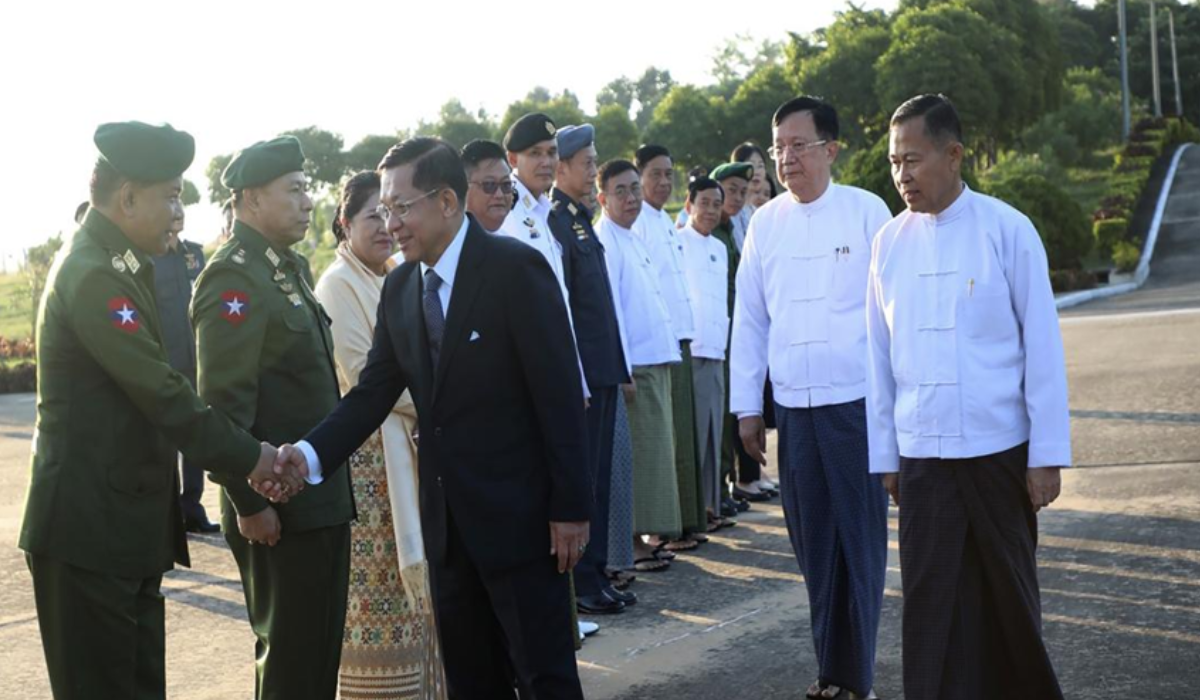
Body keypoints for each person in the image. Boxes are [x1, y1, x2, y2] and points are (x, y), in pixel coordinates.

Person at [268, 138, 591, 699]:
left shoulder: (516, 270)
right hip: (447, 531)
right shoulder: (399, 288)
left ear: (446, 201)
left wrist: (570, 508)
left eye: (401, 206)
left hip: (522, 525)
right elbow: (370, 395)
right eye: (384, 209)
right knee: (472, 681)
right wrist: (308, 455)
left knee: (546, 679)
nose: (391, 222)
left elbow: (559, 397)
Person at [19, 121, 296, 700]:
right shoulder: (94, 273)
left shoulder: (117, 263)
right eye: (170, 196)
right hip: (87, 533)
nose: (179, 213)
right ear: (127, 197)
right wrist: (254, 457)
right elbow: (164, 394)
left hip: (118, 530)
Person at [868, 94, 1070, 700]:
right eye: (894, 161)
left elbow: (1043, 345)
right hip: (923, 460)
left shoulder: (1007, 229)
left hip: (998, 454)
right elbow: (878, 358)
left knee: (1006, 600)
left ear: (953, 155)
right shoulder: (888, 243)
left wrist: (1046, 454)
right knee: (931, 611)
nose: (902, 174)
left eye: (914, 159)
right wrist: (887, 458)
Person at [732, 96, 892, 700]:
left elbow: (887, 315)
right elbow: (748, 320)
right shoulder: (765, 224)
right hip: (794, 411)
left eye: (799, 145)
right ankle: (832, 674)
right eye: (778, 148)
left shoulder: (866, 212)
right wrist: (748, 406)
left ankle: (858, 681)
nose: (786, 158)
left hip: (854, 406)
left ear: (831, 149)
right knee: (814, 548)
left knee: (860, 543)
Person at [193, 136, 355, 700]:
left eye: (307, 188)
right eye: (294, 190)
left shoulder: (287, 268)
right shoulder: (233, 278)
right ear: (251, 200)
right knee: (290, 657)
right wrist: (250, 502)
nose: (309, 201)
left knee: (318, 658)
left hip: (320, 499)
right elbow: (221, 410)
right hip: (278, 510)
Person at [315, 171, 446, 700]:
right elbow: (368, 377)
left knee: (415, 602)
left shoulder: (397, 275)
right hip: (370, 467)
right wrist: (440, 403)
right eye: (373, 216)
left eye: (392, 214)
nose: (386, 227)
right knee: (378, 595)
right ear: (346, 225)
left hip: (408, 453)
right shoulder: (337, 285)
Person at [548, 124, 634, 615]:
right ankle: (583, 581)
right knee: (584, 480)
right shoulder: (558, 222)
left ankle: (597, 574)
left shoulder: (580, 219)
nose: (593, 170)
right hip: (584, 373)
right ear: (561, 168)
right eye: (586, 163)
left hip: (602, 369)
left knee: (599, 477)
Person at [594, 159, 682, 571]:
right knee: (638, 460)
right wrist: (621, 367)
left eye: (634, 189)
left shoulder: (633, 236)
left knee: (654, 457)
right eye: (621, 191)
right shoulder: (606, 240)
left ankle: (645, 537)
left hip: (654, 359)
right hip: (634, 367)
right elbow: (611, 312)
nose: (631, 198)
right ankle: (631, 543)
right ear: (602, 198)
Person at [632, 144, 704, 549]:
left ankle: (682, 523)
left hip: (677, 339)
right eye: (655, 174)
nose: (664, 182)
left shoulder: (663, 221)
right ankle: (662, 530)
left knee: (680, 438)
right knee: (664, 443)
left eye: (669, 174)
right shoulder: (637, 220)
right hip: (656, 344)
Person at [153, 205, 217, 533]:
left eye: (179, 207)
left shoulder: (194, 254)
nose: (175, 212)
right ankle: (167, 513)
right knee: (167, 439)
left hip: (196, 359)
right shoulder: (149, 256)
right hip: (165, 361)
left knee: (195, 432)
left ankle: (192, 506)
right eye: (169, 205)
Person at [709, 162, 762, 515]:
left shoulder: (733, 229)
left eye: (743, 191)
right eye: (731, 189)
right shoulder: (708, 231)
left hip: (733, 333)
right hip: (715, 334)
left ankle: (727, 487)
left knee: (731, 413)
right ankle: (722, 487)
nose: (737, 197)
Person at [679, 177, 729, 524]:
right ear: (689, 205)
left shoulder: (721, 247)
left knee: (714, 434)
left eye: (716, 204)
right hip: (692, 350)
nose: (710, 210)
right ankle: (690, 511)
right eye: (704, 202)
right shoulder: (678, 241)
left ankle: (711, 507)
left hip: (717, 349)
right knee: (693, 435)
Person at [461, 139, 513, 233]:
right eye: (489, 185)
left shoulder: (509, 242)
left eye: (506, 185)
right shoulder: (448, 243)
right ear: (464, 188)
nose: (499, 195)